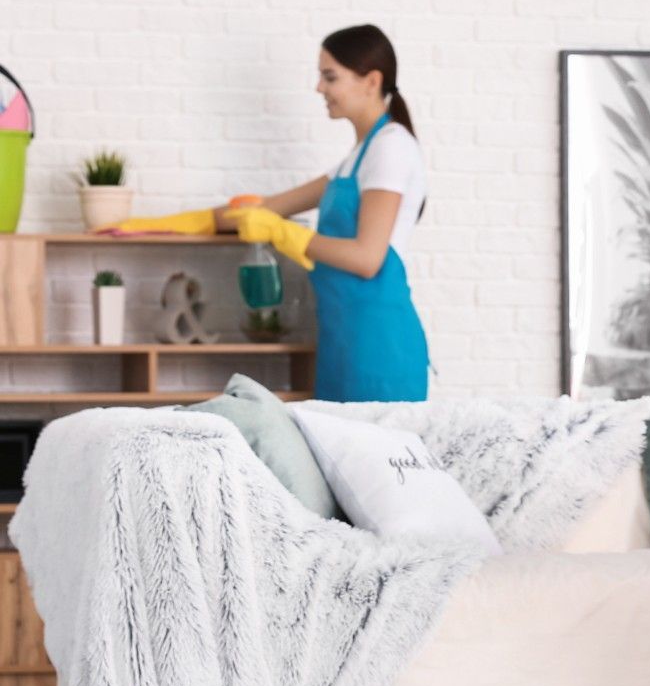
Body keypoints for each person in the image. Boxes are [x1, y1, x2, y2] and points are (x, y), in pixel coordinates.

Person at [111, 24, 430, 403]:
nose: (319, 88)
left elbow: (366, 258)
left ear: (371, 81)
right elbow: (261, 210)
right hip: (341, 342)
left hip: (380, 350)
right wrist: (156, 227)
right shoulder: (354, 161)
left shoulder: (391, 148)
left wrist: (281, 233)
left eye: (330, 77)